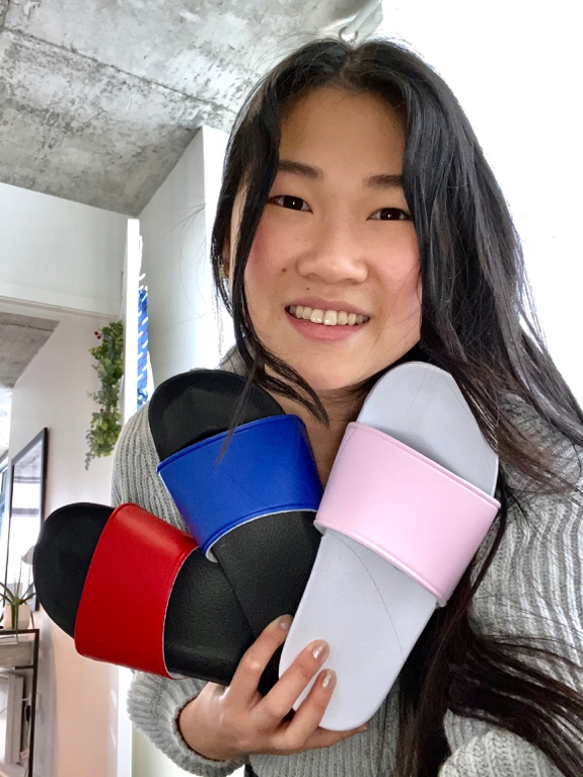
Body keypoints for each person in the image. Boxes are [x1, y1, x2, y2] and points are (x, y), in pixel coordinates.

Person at [111, 37, 583, 777]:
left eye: (391, 211)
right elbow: (162, 683)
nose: (333, 260)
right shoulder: (166, 444)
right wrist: (219, 727)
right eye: (290, 200)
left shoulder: (519, 441)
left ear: (453, 246)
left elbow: (542, 724)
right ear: (229, 234)